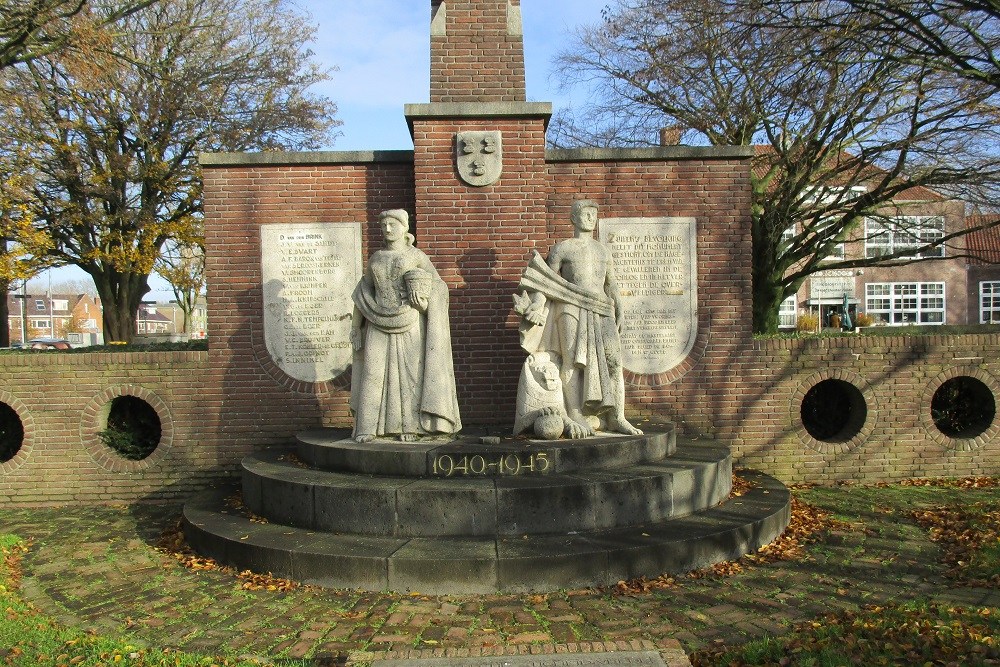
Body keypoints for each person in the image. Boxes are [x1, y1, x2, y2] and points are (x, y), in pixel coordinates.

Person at [514, 200, 642, 437]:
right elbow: (546, 282)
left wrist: (620, 307)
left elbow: (610, 283)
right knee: (572, 360)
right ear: (573, 218)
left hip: (602, 306)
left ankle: (617, 416)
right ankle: (575, 412)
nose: (591, 218)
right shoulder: (562, 248)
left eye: (594, 214)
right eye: (585, 213)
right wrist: (538, 303)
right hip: (570, 305)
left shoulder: (603, 250)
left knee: (613, 360)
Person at [350, 209, 461, 443]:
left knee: (410, 375)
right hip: (377, 320)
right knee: (373, 372)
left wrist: (424, 301)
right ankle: (367, 427)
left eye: (393, 224)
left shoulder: (416, 255)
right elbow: (362, 294)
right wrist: (355, 327)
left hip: (410, 320)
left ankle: (409, 426)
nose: (388, 229)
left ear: (404, 227)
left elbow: (439, 286)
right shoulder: (376, 258)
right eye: (384, 225)